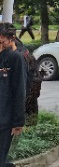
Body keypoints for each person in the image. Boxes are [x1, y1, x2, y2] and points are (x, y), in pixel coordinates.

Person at [0, 24, 26, 167]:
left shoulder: (15, 58)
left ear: (11, 39)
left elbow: (19, 91)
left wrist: (18, 122)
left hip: (5, 121)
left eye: (2, 42)